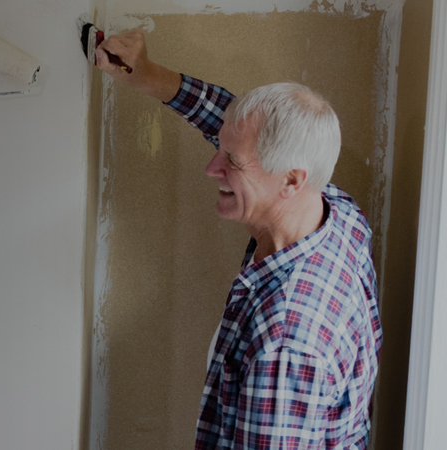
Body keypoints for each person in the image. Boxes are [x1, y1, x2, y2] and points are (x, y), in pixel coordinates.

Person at [95, 30, 382, 449]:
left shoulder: (285, 345)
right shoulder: (335, 212)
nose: (212, 168)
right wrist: (149, 75)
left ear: (290, 179)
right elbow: (233, 128)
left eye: (231, 160)